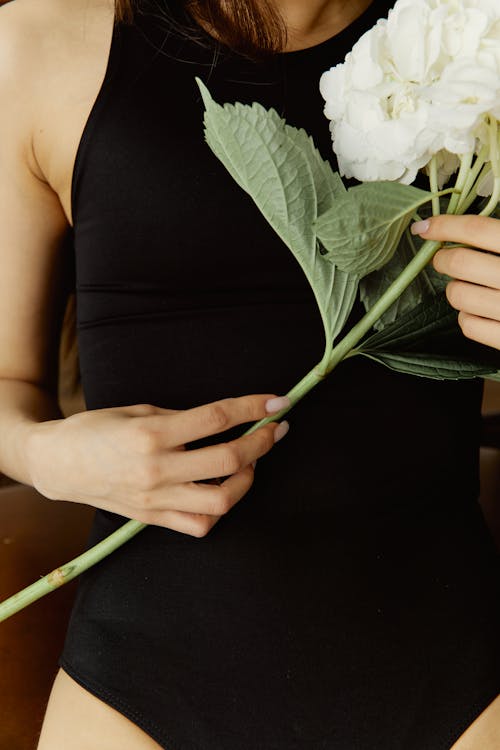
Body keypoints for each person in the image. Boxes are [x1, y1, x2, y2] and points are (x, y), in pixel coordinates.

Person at [0, 0, 498, 747]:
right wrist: (41, 454)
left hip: (460, 677)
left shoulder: (481, 40)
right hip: (140, 685)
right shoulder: (37, 45)